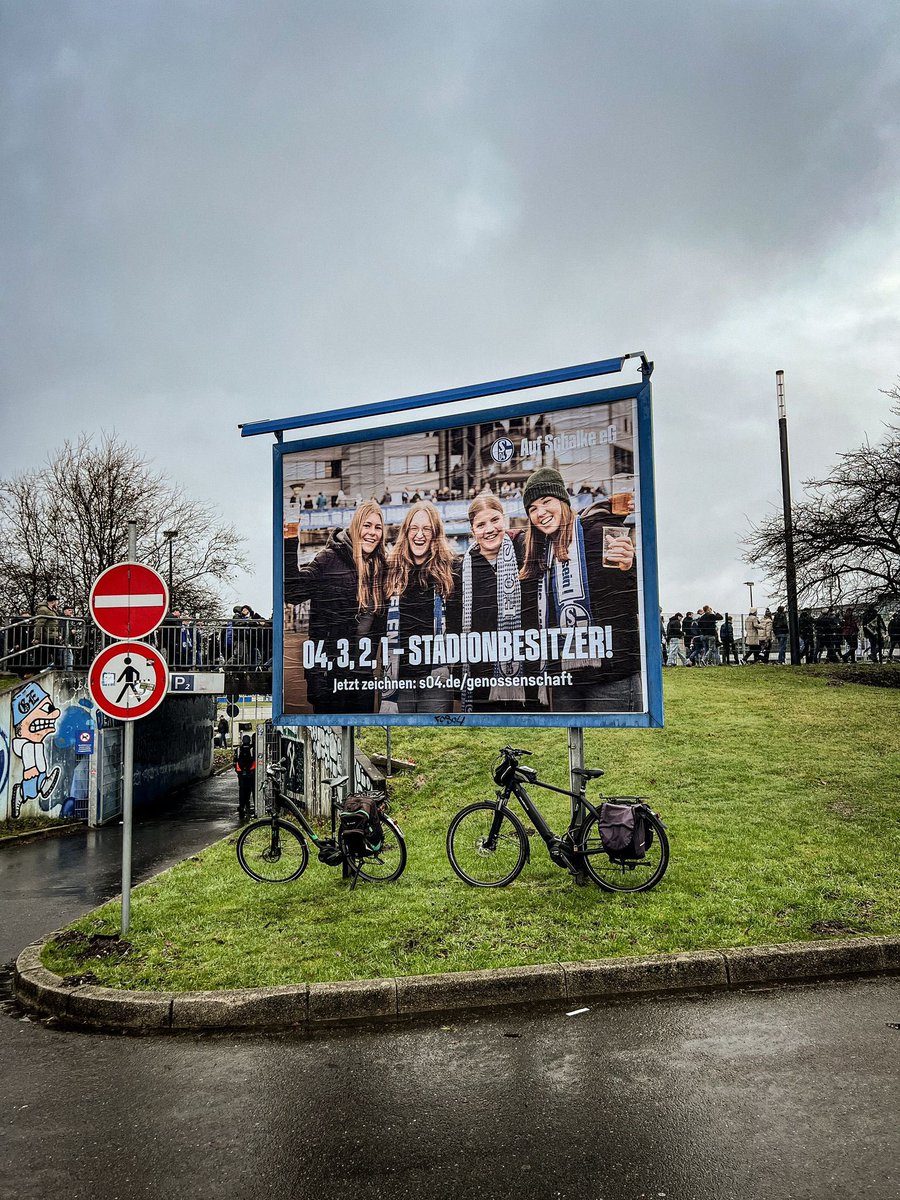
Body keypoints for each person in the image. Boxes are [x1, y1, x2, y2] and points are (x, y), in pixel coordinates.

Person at [518, 467, 641, 712]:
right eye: (532, 508)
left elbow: (630, 601)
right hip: (564, 679)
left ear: (563, 501)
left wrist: (629, 565)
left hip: (610, 675)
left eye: (546, 501)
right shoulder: (539, 553)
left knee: (613, 748)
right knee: (571, 748)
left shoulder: (596, 535)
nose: (540, 512)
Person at [285, 500, 388, 713]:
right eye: (366, 525)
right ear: (355, 526)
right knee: (330, 737)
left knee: (359, 737)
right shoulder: (329, 559)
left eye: (378, 527)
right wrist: (290, 537)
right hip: (328, 675)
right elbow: (293, 592)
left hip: (363, 678)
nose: (372, 533)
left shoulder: (381, 568)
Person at [452, 495, 531, 712]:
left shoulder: (524, 551)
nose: (489, 529)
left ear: (504, 519)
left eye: (495, 520)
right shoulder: (461, 569)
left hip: (524, 674)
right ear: (472, 530)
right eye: (481, 524)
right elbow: (456, 630)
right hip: (480, 676)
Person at [380, 501, 459, 714]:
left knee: (435, 738)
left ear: (435, 534)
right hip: (399, 679)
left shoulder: (451, 570)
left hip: (436, 680)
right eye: (414, 528)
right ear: (405, 533)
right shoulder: (390, 570)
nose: (419, 535)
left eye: (426, 529)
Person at [32, 595, 61, 667]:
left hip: (53, 635)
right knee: (48, 655)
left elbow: (55, 624)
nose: (58, 603)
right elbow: (39, 624)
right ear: (53, 601)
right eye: (57, 601)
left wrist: (59, 634)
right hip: (48, 635)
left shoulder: (52, 610)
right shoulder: (44, 609)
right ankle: (42, 669)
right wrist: (37, 638)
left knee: (53, 654)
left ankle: (49, 668)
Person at [233, 733, 256, 820]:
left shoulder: (238, 749)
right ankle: (252, 805)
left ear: (242, 741)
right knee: (251, 790)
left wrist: (239, 771)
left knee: (242, 790)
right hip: (251, 773)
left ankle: (242, 806)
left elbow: (235, 761)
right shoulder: (252, 748)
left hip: (241, 774)